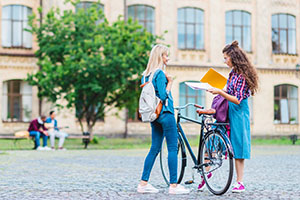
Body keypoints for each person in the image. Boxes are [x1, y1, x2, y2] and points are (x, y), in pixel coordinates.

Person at [137, 44, 190, 194]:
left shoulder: (146, 75)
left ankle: (143, 183)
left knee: (154, 148)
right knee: (172, 148)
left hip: (154, 116)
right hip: (165, 114)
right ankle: (173, 186)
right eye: (166, 55)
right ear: (160, 57)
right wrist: (170, 83)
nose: (168, 58)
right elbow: (163, 96)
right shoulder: (159, 73)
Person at [207, 40, 258, 193]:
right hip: (228, 111)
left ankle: (239, 182)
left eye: (226, 58)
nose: (224, 61)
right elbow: (229, 91)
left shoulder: (242, 75)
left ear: (233, 57)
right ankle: (207, 172)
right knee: (216, 137)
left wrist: (220, 92)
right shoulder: (233, 73)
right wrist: (218, 89)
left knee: (239, 146)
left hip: (239, 113)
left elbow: (237, 98)